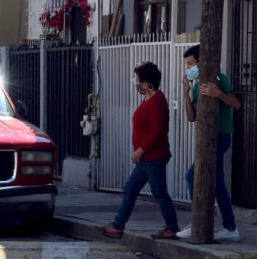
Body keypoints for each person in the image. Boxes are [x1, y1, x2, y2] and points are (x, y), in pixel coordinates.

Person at [101, 62, 181, 240]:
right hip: (146, 158)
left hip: (153, 157)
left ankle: (172, 227)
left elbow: (158, 131)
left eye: (137, 80)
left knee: (159, 192)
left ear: (146, 83)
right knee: (131, 188)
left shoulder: (157, 101)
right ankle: (118, 225)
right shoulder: (149, 99)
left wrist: (141, 150)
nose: (135, 83)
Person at [177, 44, 242, 242]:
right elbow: (191, 117)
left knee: (191, 176)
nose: (188, 68)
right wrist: (186, 93)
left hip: (220, 137)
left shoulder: (218, 79)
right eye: (187, 65)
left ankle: (200, 222)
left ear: (201, 63)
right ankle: (230, 228)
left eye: (191, 64)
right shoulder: (197, 84)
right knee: (218, 184)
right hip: (205, 139)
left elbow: (236, 104)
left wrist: (218, 94)